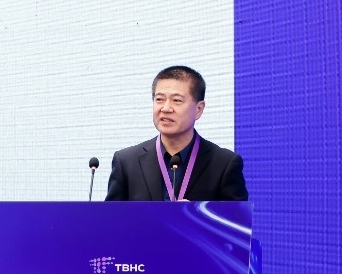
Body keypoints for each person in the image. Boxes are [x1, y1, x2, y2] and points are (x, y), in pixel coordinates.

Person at [105, 66, 248, 201]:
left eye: (177, 100)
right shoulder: (126, 162)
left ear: (198, 109)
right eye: (159, 99)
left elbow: (235, 218)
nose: (166, 108)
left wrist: (195, 215)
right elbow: (111, 217)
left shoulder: (224, 164)